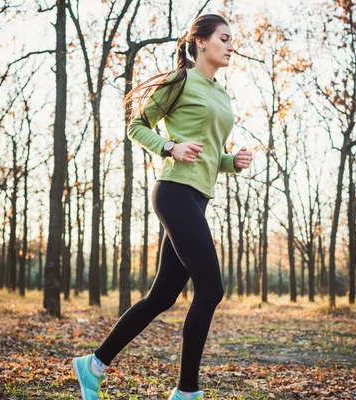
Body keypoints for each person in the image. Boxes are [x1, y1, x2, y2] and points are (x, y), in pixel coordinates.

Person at [72, 13, 254, 400]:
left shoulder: (220, 93)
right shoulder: (180, 80)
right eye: (224, 38)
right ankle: (186, 392)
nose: (231, 45)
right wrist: (169, 146)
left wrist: (230, 162)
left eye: (232, 40)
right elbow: (136, 126)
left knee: (163, 296)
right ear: (201, 42)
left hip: (198, 196)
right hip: (173, 191)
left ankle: (94, 365)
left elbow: (206, 153)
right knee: (211, 288)